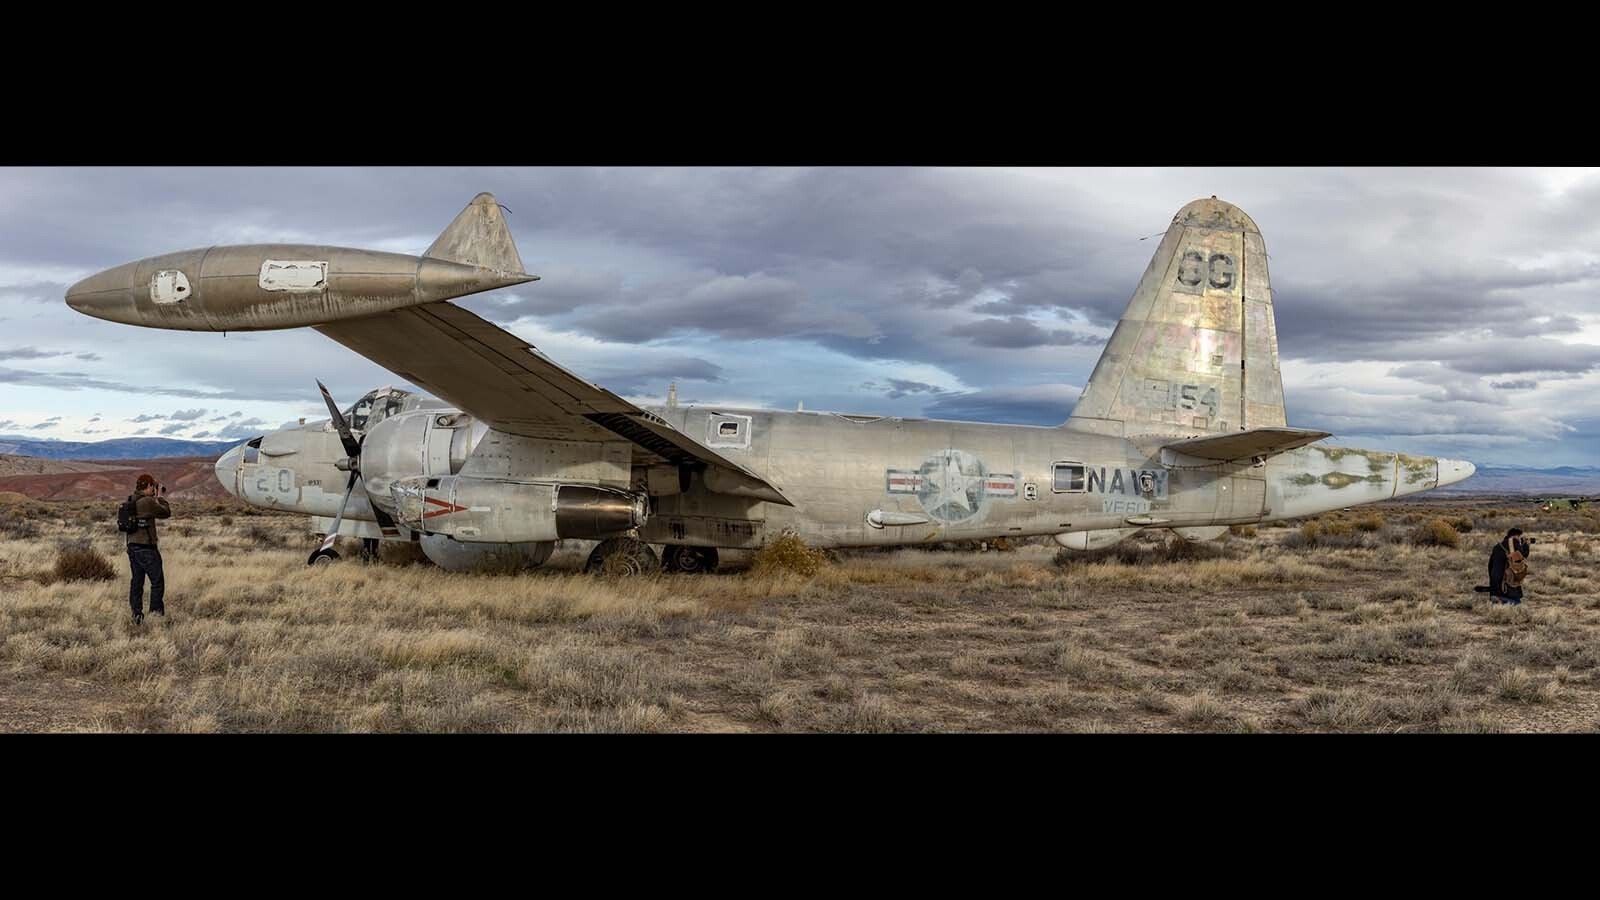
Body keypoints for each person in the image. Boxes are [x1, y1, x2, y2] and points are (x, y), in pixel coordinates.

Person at [125, 473, 172, 624]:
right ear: (149, 486)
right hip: (146, 547)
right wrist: (160, 497)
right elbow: (165, 513)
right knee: (157, 582)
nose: (154, 489)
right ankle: (156, 615)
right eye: (153, 486)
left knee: (137, 582)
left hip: (132, 546)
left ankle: (136, 615)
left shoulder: (132, 499)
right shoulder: (147, 502)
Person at [1488, 527, 1532, 606]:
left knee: (1514, 600)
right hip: (1507, 581)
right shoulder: (1513, 542)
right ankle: (1500, 600)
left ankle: (1496, 598)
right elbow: (1524, 555)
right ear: (1515, 536)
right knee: (1518, 604)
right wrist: (1526, 545)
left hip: (1496, 581)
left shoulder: (1497, 546)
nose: (1519, 540)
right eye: (1519, 537)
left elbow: (1490, 565)